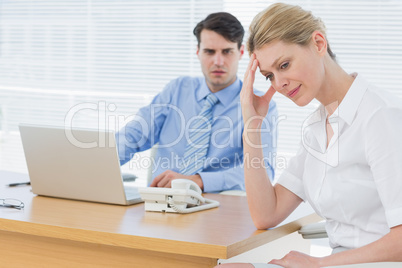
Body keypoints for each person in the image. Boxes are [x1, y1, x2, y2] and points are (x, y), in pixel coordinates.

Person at [216, 2, 402, 268]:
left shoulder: (380, 116)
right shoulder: (317, 126)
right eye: (269, 75)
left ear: (318, 43)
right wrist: (252, 125)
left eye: (285, 65)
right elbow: (266, 214)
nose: (279, 83)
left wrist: (319, 264)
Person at [116, 12, 278, 193]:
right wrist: (99, 162)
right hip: (159, 200)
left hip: (217, 207)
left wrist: (197, 181)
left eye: (227, 52)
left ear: (240, 53)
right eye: (209, 52)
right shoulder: (176, 90)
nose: (218, 61)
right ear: (198, 52)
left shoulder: (259, 105)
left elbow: (264, 171)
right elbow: (133, 136)